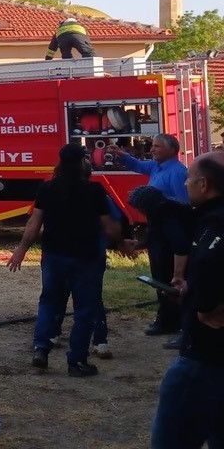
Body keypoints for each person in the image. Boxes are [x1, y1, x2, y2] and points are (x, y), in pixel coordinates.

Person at [8, 143, 127, 377]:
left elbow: (34, 223)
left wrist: (21, 249)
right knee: (85, 309)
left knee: (49, 302)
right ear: (83, 163)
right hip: (86, 259)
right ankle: (77, 361)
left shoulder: (47, 189)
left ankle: (41, 349)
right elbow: (111, 228)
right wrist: (122, 242)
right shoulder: (94, 191)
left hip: (54, 257)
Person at [150, 151, 224, 448]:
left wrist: (205, 305)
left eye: (189, 179)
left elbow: (208, 263)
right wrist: (190, 289)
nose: (185, 184)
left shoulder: (214, 223)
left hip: (205, 358)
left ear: (204, 184)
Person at [110, 134, 191, 344]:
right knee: (159, 276)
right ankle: (165, 320)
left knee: (171, 277)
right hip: (157, 229)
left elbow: (184, 205)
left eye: (157, 146)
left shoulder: (177, 172)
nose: (152, 149)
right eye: (152, 146)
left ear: (172, 150)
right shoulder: (156, 166)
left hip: (171, 229)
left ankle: (182, 324)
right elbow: (138, 165)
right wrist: (122, 155)